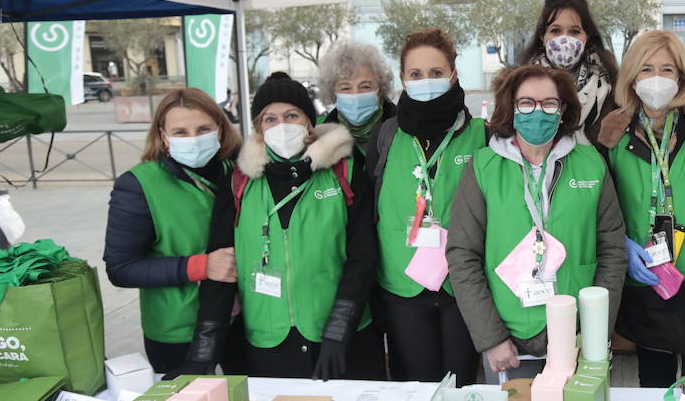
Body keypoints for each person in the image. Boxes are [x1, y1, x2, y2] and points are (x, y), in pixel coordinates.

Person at [181, 72, 384, 379]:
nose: (282, 126)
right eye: (270, 119)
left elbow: (363, 257)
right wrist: (203, 352)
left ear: (309, 123)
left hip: (342, 340)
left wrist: (339, 329)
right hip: (269, 343)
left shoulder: (345, 170)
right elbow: (221, 270)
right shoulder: (238, 182)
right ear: (259, 129)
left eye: (292, 115)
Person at [447, 65, 627, 377]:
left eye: (549, 103)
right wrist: (492, 338)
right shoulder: (483, 167)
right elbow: (463, 256)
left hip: (578, 336)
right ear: (511, 109)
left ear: (563, 111)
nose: (538, 112)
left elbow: (612, 251)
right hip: (509, 342)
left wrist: (595, 332)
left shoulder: (591, 164)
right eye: (527, 103)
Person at [596, 30, 685, 387]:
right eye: (646, 69)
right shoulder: (613, 133)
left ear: (682, 77)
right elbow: (601, 204)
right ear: (631, 77)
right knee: (654, 389)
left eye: (667, 69)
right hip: (646, 279)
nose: (656, 79)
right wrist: (621, 244)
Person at [366, 28, 486, 382]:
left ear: (453, 76)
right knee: (413, 393)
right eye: (415, 74)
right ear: (403, 79)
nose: (426, 81)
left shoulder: (483, 134)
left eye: (436, 73)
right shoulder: (386, 135)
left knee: (462, 390)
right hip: (403, 285)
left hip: (463, 285)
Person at [104, 88, 241, 373]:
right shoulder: (139, 185)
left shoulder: (239, 172)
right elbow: (121, 268)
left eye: (203, 129)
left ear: (220, 129)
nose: (194, 139)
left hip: (245, 322)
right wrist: (201, 266)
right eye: (180, 132)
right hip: (179, 330)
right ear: (164, 138)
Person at [516, 0, 618, 144]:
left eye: (574, 32)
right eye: (555, 31)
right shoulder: (520, 83)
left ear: (587, 36)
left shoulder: (609, 82)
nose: (564, 40)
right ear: (542, 37)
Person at [318, 40, 396, 153]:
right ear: (333, 92)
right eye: (345, 88)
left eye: (365, 87)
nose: (356, 94)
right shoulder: (317, 136)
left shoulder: (403, 130)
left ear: (380, 89)